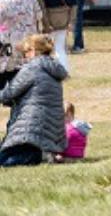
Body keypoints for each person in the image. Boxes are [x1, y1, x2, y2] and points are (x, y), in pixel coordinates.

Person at [0, 35, 66, 167]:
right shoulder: (52, 68)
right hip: (48, 128)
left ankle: (39, 156)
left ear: (34, 51)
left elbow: (8, 93)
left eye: (26, 52)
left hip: (31, 128)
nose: (25, 57)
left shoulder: (32, 68)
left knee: (4, 160)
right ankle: (40, 154)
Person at [0, 0, 44, 88]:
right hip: (27, 46)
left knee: (6, 77)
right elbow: (39, 16)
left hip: (8, 48)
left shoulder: (2, 0)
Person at [37, 0, 77, 72]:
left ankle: (48, 72)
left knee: (46, 49)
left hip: (50, 22)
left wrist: (46, 24)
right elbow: (73, 4)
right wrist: (71, 22)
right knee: (60, 48)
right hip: (64, 20)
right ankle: (64, 71)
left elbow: (43, 9)